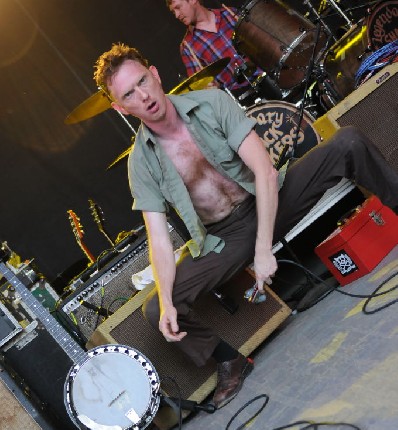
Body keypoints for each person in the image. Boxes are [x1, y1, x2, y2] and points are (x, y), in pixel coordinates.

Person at [93, 43, 398, 407]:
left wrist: (263, 247)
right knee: (158, 308)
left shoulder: (211, 103)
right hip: (225, 237)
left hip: (272, 196)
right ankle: (230, 361)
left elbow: (265, 172)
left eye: (142, 81)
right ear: (120, 108)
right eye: (129, 94)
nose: (143, 95)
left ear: (155, 74)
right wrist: (168, 301)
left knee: (347, 141)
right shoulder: (141, 163)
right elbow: (159, 240)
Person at [166, 0, 272, 103]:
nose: (176, 15)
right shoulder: (187, 47)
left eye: (178, 8)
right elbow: (202, 89)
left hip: (270, 75)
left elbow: (262, 41)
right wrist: (209, 88)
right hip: (244, 97)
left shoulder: (229, 13)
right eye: (173, 12)